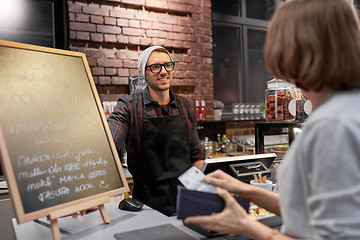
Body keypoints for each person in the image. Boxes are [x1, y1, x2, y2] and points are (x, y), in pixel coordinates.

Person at [185, 0, 360, 239]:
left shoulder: (332, 125)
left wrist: (246, 226)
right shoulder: (347, 110)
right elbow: (307, 213)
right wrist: (243, 189)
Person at [108, 46, 205, 216]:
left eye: (168, 65)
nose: (163, 71)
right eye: (155, 67)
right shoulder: (129, 106)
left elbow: (196, 156)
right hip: (146, 207)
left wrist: (196, 191)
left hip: (184, 203)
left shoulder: (186, 106)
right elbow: (109, 147)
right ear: (144, 73)